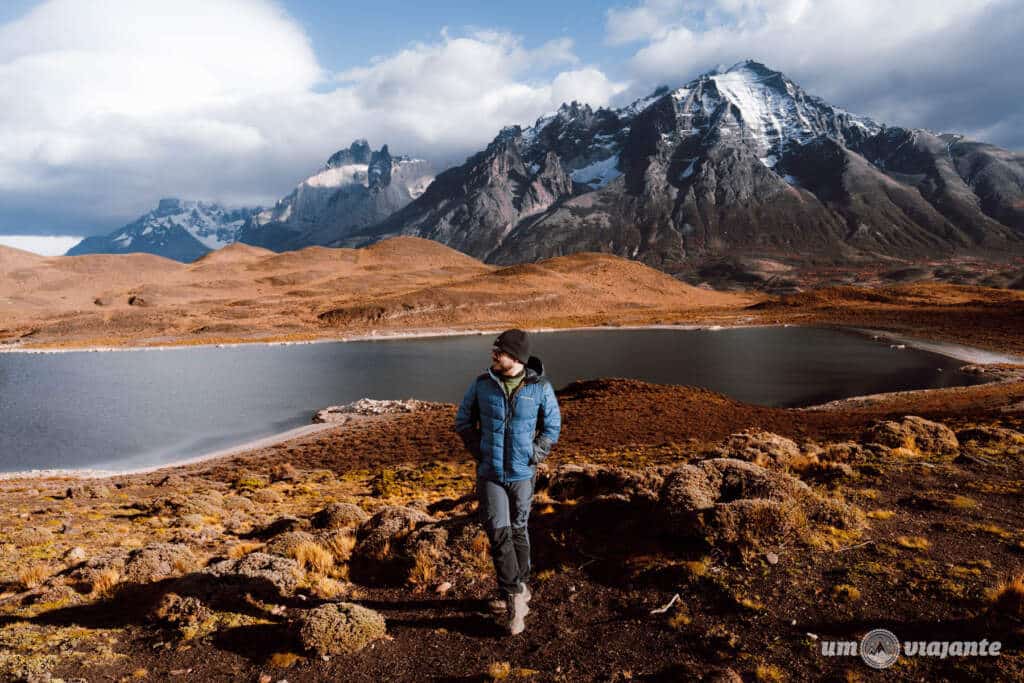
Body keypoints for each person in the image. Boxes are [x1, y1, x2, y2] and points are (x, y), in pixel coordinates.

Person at [455, 328, 561, 635]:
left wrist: (534, 454)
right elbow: (463, 420)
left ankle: (517, 588)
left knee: (518, 531)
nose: (492, 355)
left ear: (514, 357)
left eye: (497, 351)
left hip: (522, 474)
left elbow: (552, 426)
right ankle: (516, 600)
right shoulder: (481, 385)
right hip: (490, 475)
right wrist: (480, 451)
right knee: (498, 532)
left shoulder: (539, 387)